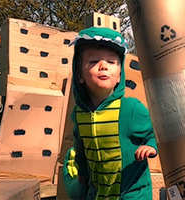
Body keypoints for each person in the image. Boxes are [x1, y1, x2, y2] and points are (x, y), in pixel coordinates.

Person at [69, 26, 158, 200]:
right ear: (80, 75)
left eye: (111, 62)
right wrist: (82, 174)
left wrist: (151, 146)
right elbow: (80, 148)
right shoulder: (79, 114)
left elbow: (155, 132)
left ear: (119, 76)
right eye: (93, 61)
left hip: (132, 194)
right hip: (98, 194)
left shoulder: (131, 109)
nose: (103, 66)